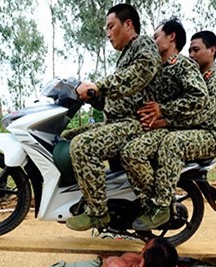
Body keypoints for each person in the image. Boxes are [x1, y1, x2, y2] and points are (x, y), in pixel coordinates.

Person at [65, 3, 162, 231]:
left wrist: (99, 85)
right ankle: (82, 195)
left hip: (135, 124)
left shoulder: (143, 44)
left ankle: (98, 213)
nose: (108, 34)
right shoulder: (126, 55)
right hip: (116, 121)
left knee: (83, 146)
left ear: (128, 24)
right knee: (67, 137)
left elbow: (140, 73)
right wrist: (94, 96)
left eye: (111, 27)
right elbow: (119, 95)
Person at [121, 29, 216, 230]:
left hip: (209, 136)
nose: (192, 54)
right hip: (184, 130)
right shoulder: (188, 75)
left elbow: (201, 114)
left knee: (173, 143)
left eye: (196, 50)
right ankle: (144, 204)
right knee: (133, 148)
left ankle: (162, 206)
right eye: (190, 50)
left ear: (212, 50)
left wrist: (165, 121)